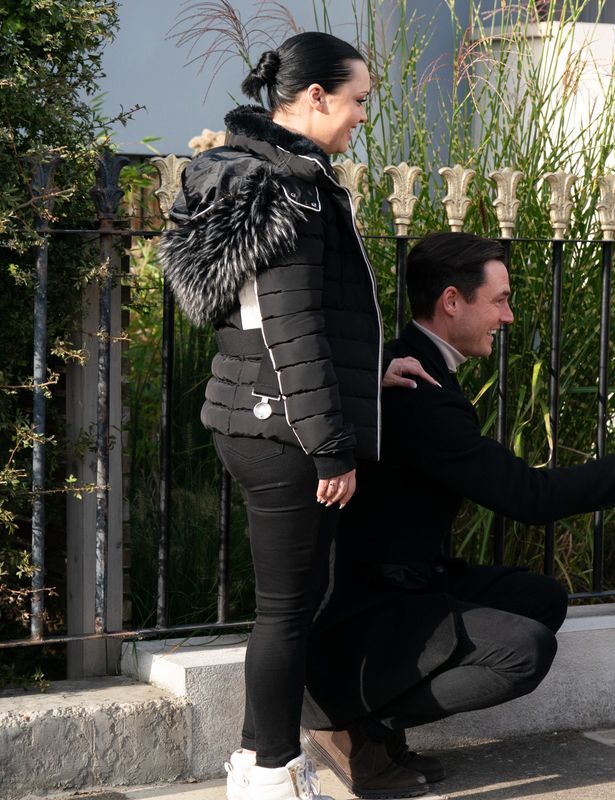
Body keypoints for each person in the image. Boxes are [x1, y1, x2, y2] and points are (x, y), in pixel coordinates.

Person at [298, 232, 615, 798]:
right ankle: (357, 725)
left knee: (540, 599)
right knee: (524, 652)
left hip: (402, 580)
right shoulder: (416, 391)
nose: (509, 315)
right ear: (453, 301)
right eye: (499, 300)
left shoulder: (409, 365)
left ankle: (372, 727)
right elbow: (528, 497)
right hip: (362, 613)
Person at [159, 32, 434, 800]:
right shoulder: (285, 188)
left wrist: (369, 369)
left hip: (260, 416)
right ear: (315, 96)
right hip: (285, 431)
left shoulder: (260, 174)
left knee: (294, 604)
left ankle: (267, 763)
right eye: (358, 102)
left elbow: (269, 321)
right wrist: (331, 447)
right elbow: (289, 334)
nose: (361, 118)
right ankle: (270, 772)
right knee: (286, 611)